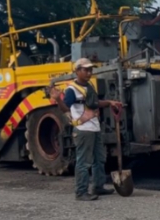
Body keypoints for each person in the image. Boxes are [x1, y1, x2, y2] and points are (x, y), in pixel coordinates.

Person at [50, 58, 122, 201]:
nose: (89, 72)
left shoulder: (88, 86)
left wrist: (109, 103)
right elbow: (65, 108)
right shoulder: (71, 90)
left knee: (99, 159)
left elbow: (94, 103)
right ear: (77, 71)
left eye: (90, 70)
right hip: (83, 129)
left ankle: (98, 186)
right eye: (85, 70)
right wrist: (58, 99)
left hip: (94, 128)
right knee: (84, 162)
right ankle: (81, 191)